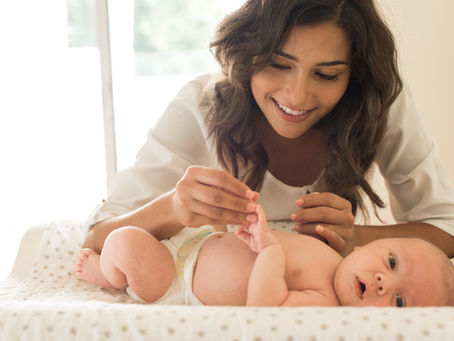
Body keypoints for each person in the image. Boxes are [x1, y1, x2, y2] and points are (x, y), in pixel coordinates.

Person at [82, 0, 454, 258]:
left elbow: (446, 226)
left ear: (355, 77)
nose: (297, 95)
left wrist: (357, 238)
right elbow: (97, 236)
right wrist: (174, 208)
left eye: (326, 74)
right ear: (247, 51)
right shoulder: (201, 106)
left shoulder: (376, 104)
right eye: (278, 64)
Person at [76, 205, 454, 307]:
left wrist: (270, 248)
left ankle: (109, 276)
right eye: (390, 262)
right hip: (202, 242)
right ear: (365, 244)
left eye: (400, 302)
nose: (384, 282)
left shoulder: (324, 304)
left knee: (125, 243)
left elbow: (262, 307)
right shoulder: (330, 253)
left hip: (178, 279)